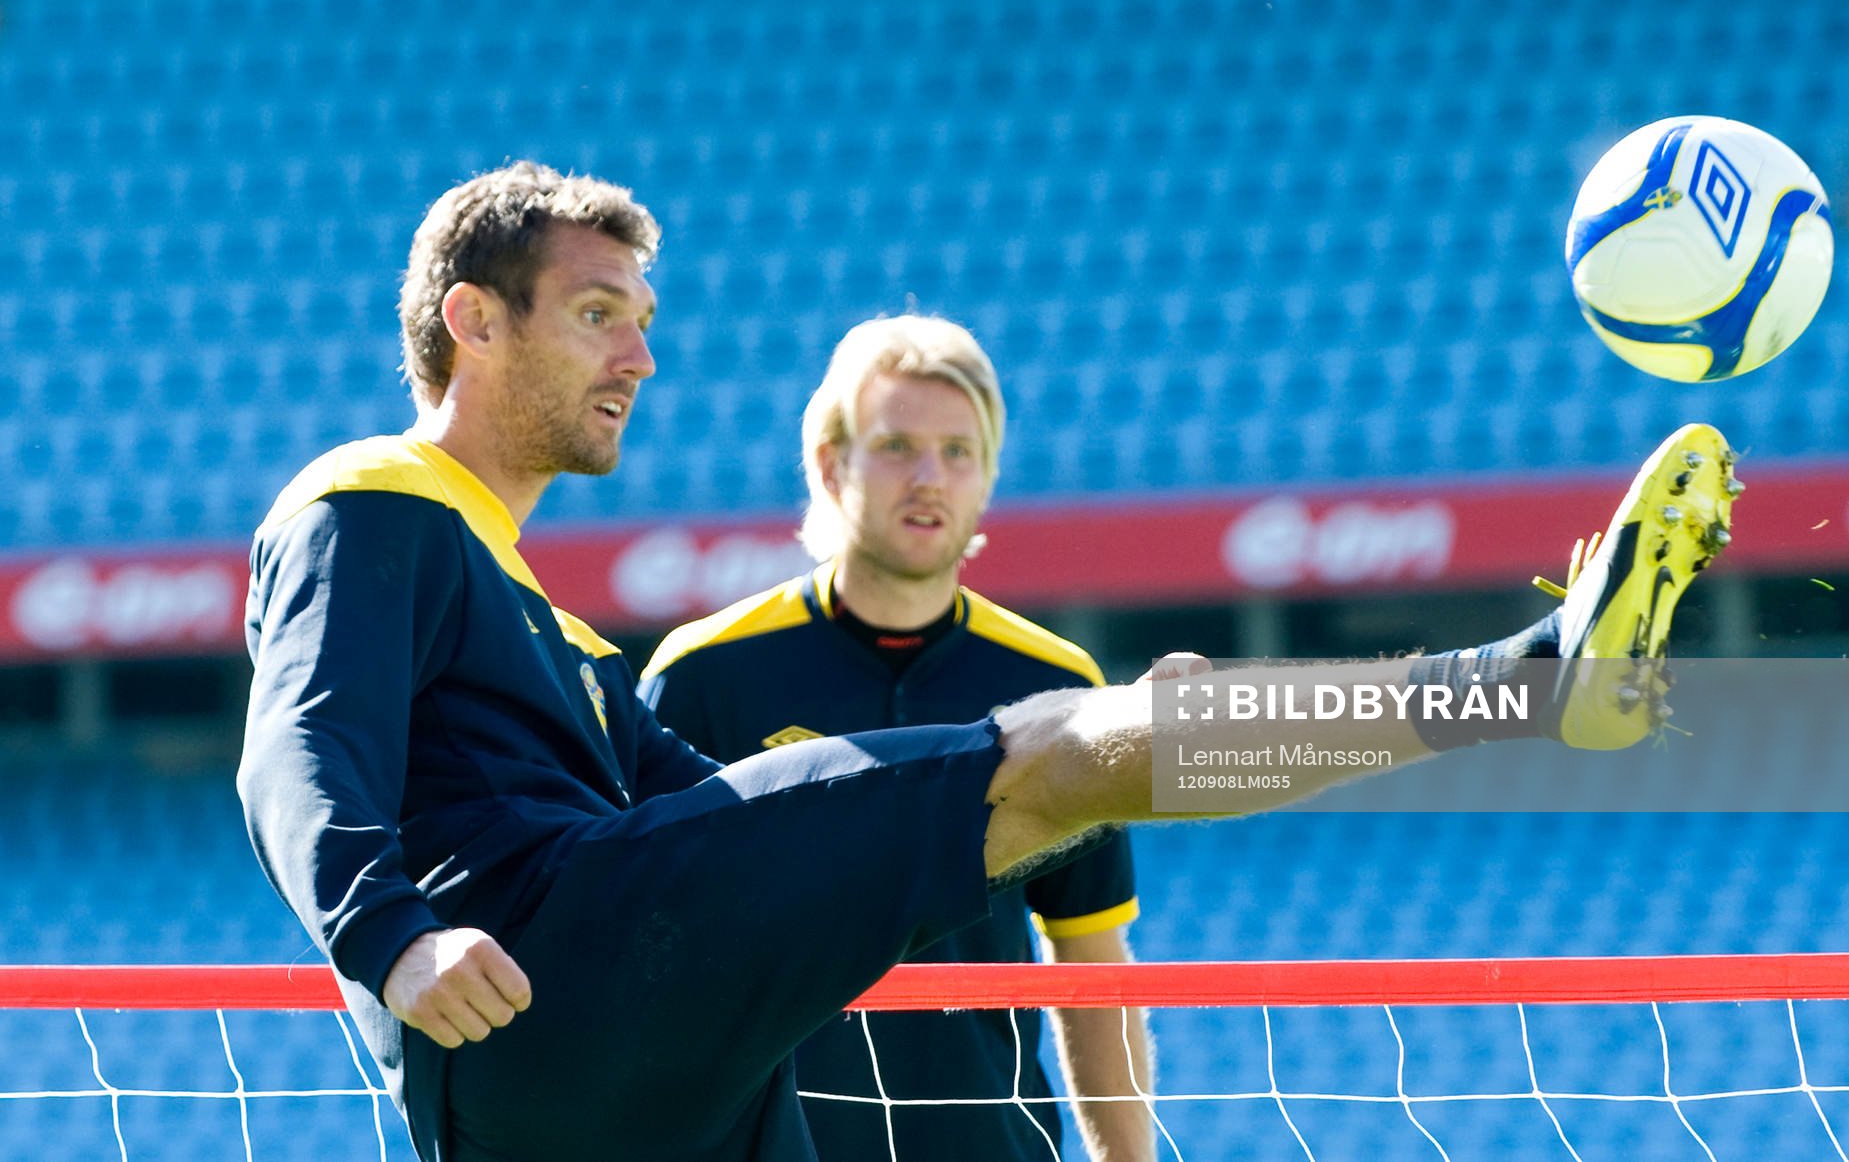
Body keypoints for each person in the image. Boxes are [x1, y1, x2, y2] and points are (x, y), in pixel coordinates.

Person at [237, 160, 1740, 1162]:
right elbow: (295, 749)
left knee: (1076, 755)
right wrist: (390, 937)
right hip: (554, 980)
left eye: (644, 318)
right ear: (472, 324)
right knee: (1064, 752)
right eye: (596, 315)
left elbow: (727, 801)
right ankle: (1539, 672)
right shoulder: (369, 501)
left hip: (626, 1060)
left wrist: (944, 823)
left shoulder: (557, 628)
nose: (641, 354)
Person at [641, 314, 1153, 1162]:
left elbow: (1091, 958)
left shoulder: (1062, 687)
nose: (930, 478)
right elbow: (642, 953)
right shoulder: (704, 675)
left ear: (988, 478)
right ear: (829, 463)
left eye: (959, 452)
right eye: (896, 446)